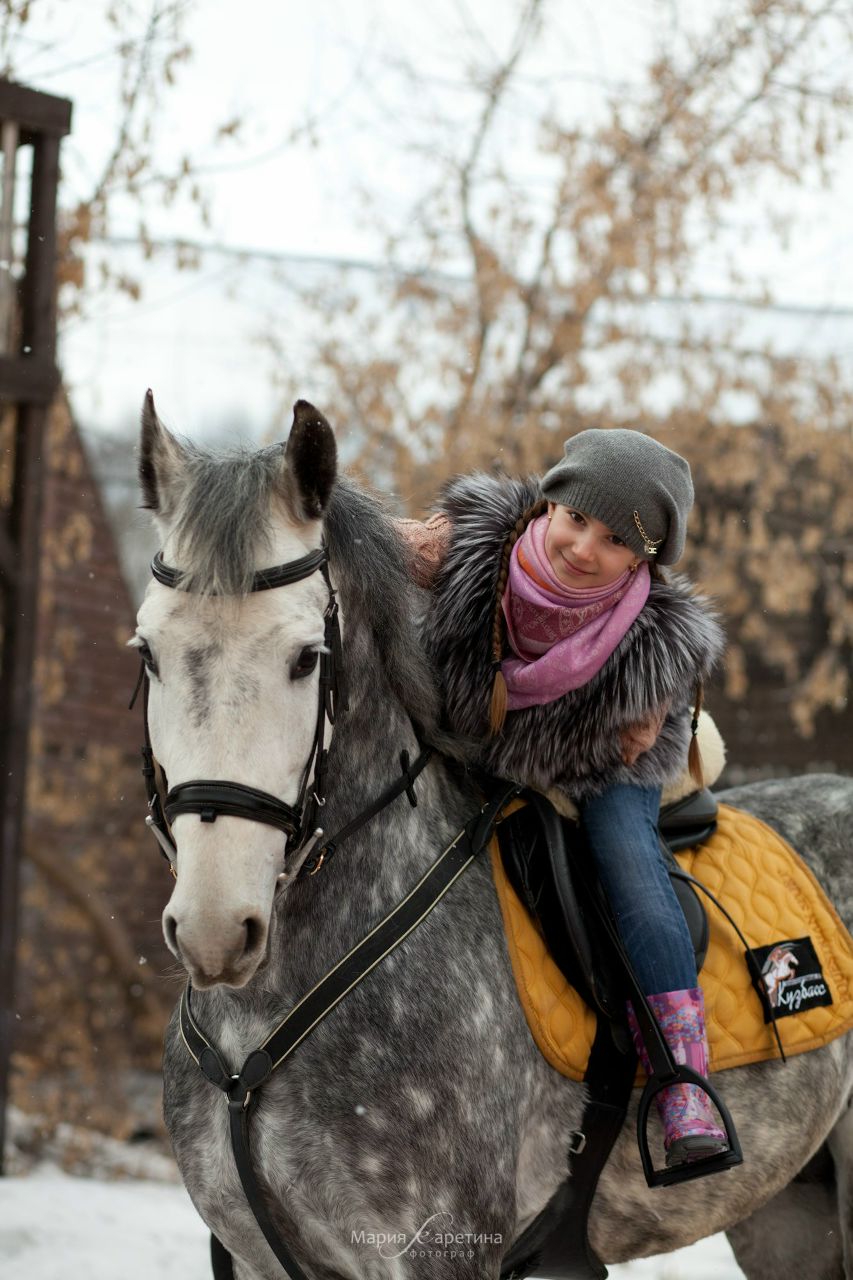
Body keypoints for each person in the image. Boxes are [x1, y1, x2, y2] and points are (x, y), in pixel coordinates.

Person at [400, 428, 734, 1176]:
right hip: (475, 741)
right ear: (549, 502)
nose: (584, 548)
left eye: (616, 540)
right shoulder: (467, 549)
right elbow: (366, 551)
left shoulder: (650, 641)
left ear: (643, 558)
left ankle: (683, 1079)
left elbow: (663, 682)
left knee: (627, 867)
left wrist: (651, 708)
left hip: (601, 759)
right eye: (577, 518)